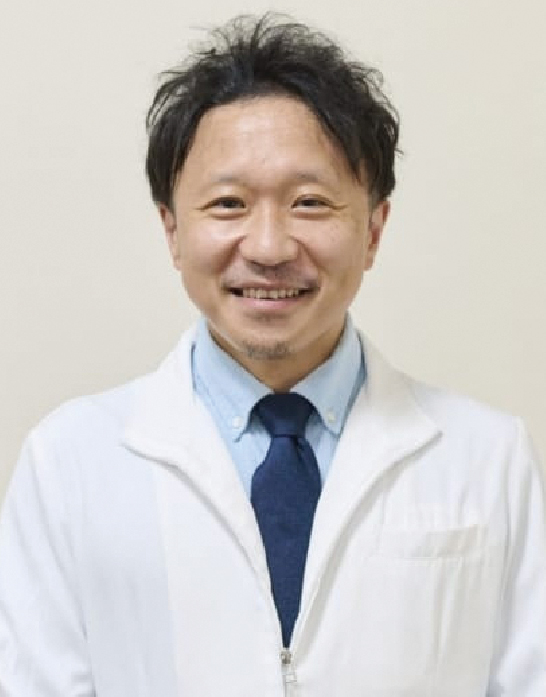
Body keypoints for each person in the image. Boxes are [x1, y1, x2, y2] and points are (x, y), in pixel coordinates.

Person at [0, 13, 544, 697]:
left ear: (374, 229)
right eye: (228, 204)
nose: (268, 246)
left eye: (310, 202)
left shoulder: (488, 458)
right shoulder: (69, 463)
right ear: (172, 230)